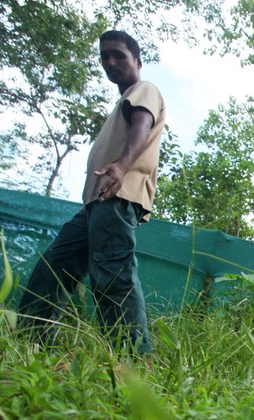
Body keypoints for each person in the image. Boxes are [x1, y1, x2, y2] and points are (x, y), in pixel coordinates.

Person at [18, 30, 165, 354]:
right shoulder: (120, 104)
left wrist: (122, 165)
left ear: (137, 61)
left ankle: (132, 363)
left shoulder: (145, 91)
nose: (110, 62)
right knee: (53, 267)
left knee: (112, 276)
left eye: (118, 55)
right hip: (94, 206)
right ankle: (30, 345)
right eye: (104, 57)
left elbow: (142, 124)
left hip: (117, 197)